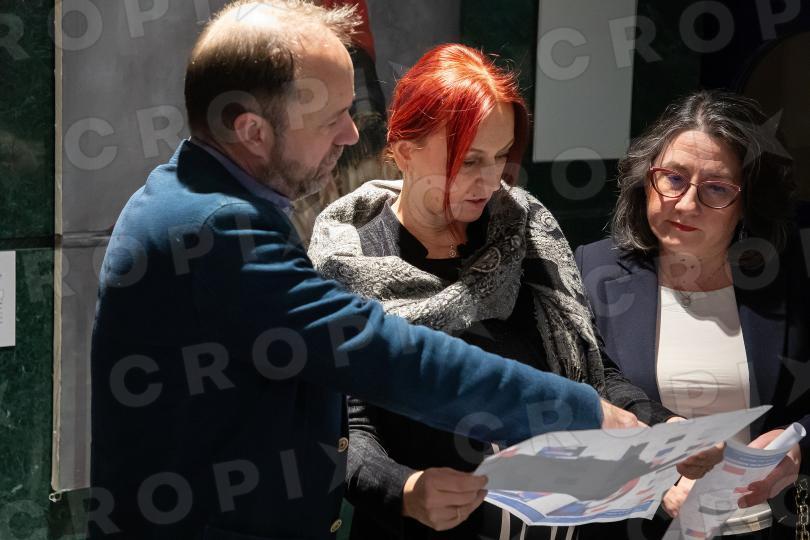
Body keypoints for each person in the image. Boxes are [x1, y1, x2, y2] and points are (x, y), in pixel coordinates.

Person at [89, 2, 642, 539]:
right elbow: (382, 353)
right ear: (253, 131)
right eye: (332, 118)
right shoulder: (218, 228)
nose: (352, 135)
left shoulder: (194, 196)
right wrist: (577, 410)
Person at [308, 44, 715, 540]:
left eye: (501, 156)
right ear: (405, 150)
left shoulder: (525, 232)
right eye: (469, 160)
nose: (491, 180)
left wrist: (662, 426)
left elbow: (593, 374)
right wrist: (405, 490)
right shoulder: (352, 262)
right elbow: (346, 431)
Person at [575, 90, 809, 539]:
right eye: (674, 178)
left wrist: (797, 446)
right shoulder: (594, 270)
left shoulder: (787, 279)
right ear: (647, 177)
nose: (685, 204)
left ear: (747, 201)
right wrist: (657, 482)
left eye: (716, 188)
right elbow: (578, 402)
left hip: (758, 528)